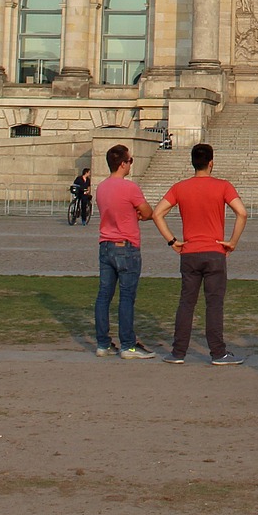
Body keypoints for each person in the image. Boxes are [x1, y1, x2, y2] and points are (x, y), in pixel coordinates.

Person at [153, 142, 247, 366]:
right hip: (215, 251)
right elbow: (242, 213)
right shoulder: (223, 186)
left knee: (187, 302)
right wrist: (232, 242)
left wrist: (172, 241)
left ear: (193, 162)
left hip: (190, 252)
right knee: (214, 304)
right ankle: (217, 352)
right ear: (211, 163)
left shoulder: (180, 187)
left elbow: (158, 213)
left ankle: (178, 351)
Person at [90, 144, 155, 359]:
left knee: (104, 296)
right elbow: (147, 212)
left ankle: (103, 343)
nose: (130, 165)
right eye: (129, 161)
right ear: (122, 164)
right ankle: (128, 345)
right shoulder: (129, 188)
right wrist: (136, 214)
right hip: (126, 245)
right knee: (126, 297)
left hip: (106, 244)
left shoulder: (101, 187)